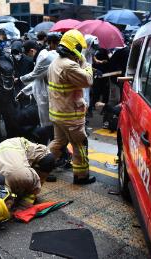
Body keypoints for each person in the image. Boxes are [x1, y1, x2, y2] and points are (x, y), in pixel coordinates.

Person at [47, 29, 95, 184]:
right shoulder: (69, 66)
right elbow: (88, 80)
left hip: (58, 113)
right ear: (75, 48)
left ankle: (41, 166)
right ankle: (81, 177)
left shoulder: (56, 62)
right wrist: (85, 63)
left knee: (58, 143)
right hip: (70, 115)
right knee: (80, 144)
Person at [18, 32, 61, 145]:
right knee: (48, 126)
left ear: (31, 51)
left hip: (51, 96)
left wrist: (19, 80)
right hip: (48, 96)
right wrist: (24, 91)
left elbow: (34, 75)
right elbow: (38, 79)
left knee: (50, 127)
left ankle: (55, 151)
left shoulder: (45, 57)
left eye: (27, 54)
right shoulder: (44, 55)